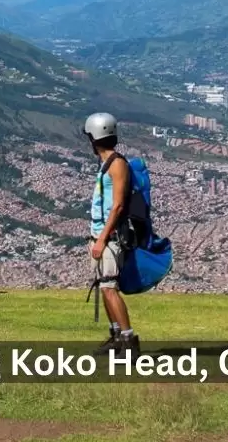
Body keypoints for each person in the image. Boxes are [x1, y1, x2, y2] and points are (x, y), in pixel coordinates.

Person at [84, 112, 140, 355]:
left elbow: (117, 205)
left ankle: (129, 341)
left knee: (109, 287)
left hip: (110, 236)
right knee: (104, 285)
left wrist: (103, 239)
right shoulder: (106, 164)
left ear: (94, 138)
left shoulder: (117, 165)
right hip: (100, 234)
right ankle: (116, 336)